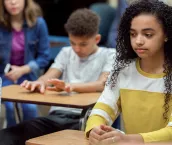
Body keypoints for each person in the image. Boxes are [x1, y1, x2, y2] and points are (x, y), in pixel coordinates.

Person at [0, 8, 115, 145]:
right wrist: (39, 83)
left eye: (83, 44)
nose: (77, 49)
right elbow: (49, 76)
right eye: (73, 43)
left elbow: (102, 84)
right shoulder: (66, 52)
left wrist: (69, 86)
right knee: (7, 136)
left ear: (96, 39)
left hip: (88, 121)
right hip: (56, 117)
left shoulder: (109, 55)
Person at [86, 0, 172, 145]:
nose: (138, 41)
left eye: (148, 35)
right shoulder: (122, 70)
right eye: (133, 34)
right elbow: (102, 108)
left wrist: (128, 139)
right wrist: (94, 130)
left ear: (166, 35)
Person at [0, 0, 50, 127]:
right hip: (4, 77)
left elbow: (44, 57)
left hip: (28, 77)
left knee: (30, 109)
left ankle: (29, 138)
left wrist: (23, 69)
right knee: (10, 108)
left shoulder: (39, 23)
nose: (13, 2)